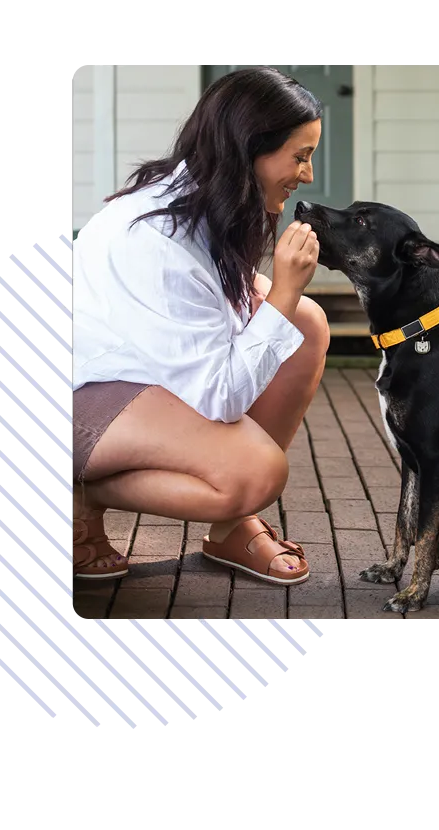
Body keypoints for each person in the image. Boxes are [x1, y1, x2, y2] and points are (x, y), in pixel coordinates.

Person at [72, 66, 328, 586]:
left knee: (304, 324)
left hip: (144, 372)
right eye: (300, 156)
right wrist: (281, 290)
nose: (308, 175)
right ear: (249, 149)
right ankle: (79, 492)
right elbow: (222, 396)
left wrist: (282, 302)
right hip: (85, 393)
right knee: (256, 472)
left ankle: (230, 530)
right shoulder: (158, 242)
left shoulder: (205, 203)